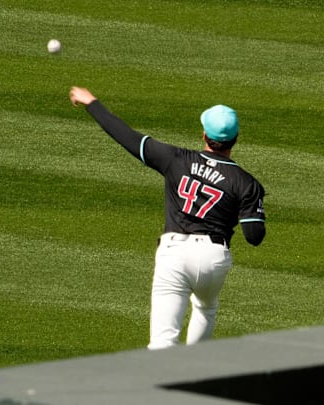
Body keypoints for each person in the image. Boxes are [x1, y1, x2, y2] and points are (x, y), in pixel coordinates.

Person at [69, 86, 266, 350]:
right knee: (206, 307)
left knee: (162, 342)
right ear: (236, 138)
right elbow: (254, 237)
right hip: (213, 258)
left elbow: (127, 137)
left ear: (205, 135)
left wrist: (91, 102)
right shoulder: (246, 183)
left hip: (174, 253)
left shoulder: (176, 159)